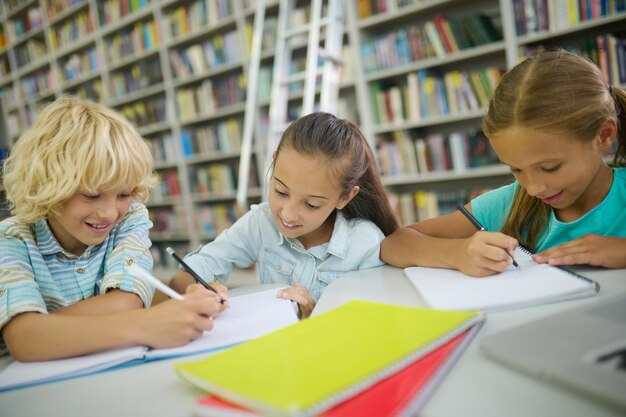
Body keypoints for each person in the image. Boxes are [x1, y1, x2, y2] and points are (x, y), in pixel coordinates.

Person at [0, 97, 225, 362]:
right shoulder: (12, 239)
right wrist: (146, 324)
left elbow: (126, 302)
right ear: (45, 186)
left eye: (123, 193)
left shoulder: (129, 218)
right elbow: (25, 340)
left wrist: (44, 328)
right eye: (92, 195)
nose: (109, 213)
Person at [381, 49, 626, 276]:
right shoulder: (511, 203)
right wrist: (458, 253)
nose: (533, 188)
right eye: (516, 169)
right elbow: (394, 243)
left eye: (550, 167)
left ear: (603, 135)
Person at [170, 112, 399, 317]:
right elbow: (184, 275)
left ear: (345, 198)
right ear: (273, 162)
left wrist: (311, 319)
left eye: (311, 205)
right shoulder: (261, 222)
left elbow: (372, 324)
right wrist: (195, 289)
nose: (288, 214)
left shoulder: (365, 242)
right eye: (280, 191)